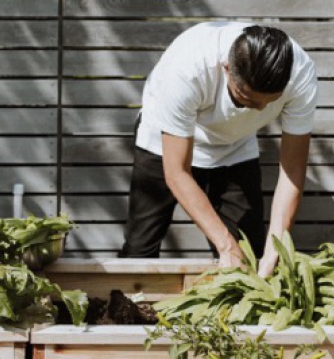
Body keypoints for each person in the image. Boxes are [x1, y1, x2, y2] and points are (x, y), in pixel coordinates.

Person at [119, 22, 318, 277]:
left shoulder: (300, 74)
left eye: (269, 103)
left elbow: (292, 170)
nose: (258, 110)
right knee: (139, 250)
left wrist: (275, 249)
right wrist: (226, 245)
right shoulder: (187, 68)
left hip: (235, 146)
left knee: (249, 255)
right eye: (246, 99)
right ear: (226, 68)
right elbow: (177, 173)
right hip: (163, 142)